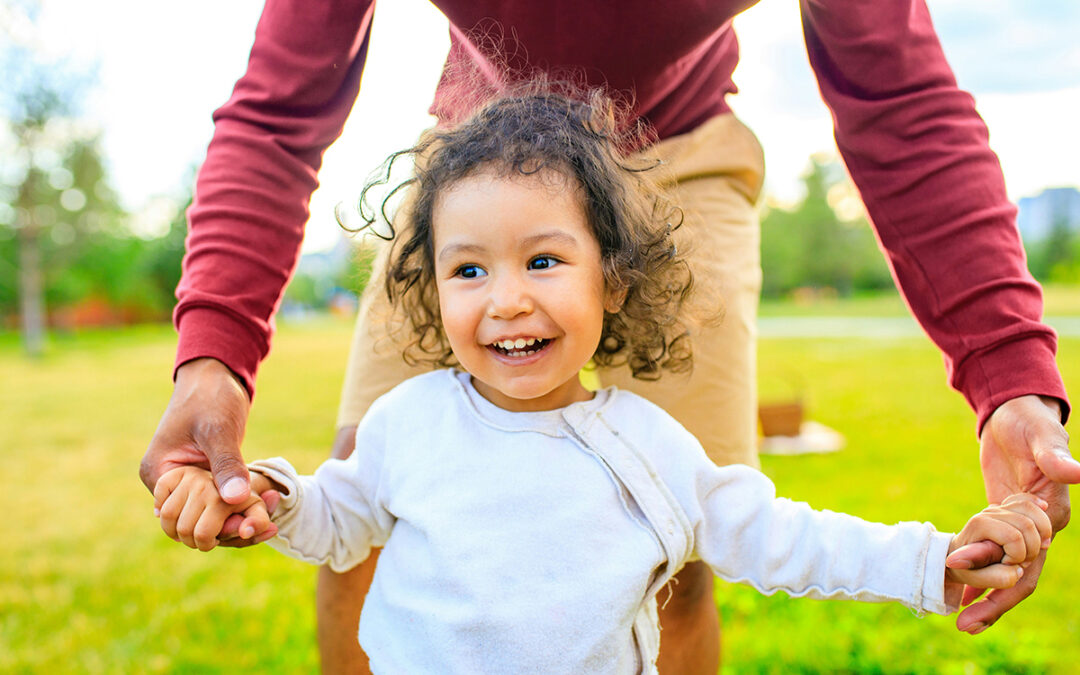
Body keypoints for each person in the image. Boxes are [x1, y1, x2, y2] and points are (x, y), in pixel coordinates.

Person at [139, 2, 1080, 672]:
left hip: (676, 146)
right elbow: (277, 108)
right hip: (476, 158)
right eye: (471, 281)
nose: (509, 304)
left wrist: (1005, 382)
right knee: (361, 488)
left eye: (541, 274)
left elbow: (904, 101)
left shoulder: (657, 455)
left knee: (682, 560)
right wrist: (217, 365)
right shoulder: (408, 423)